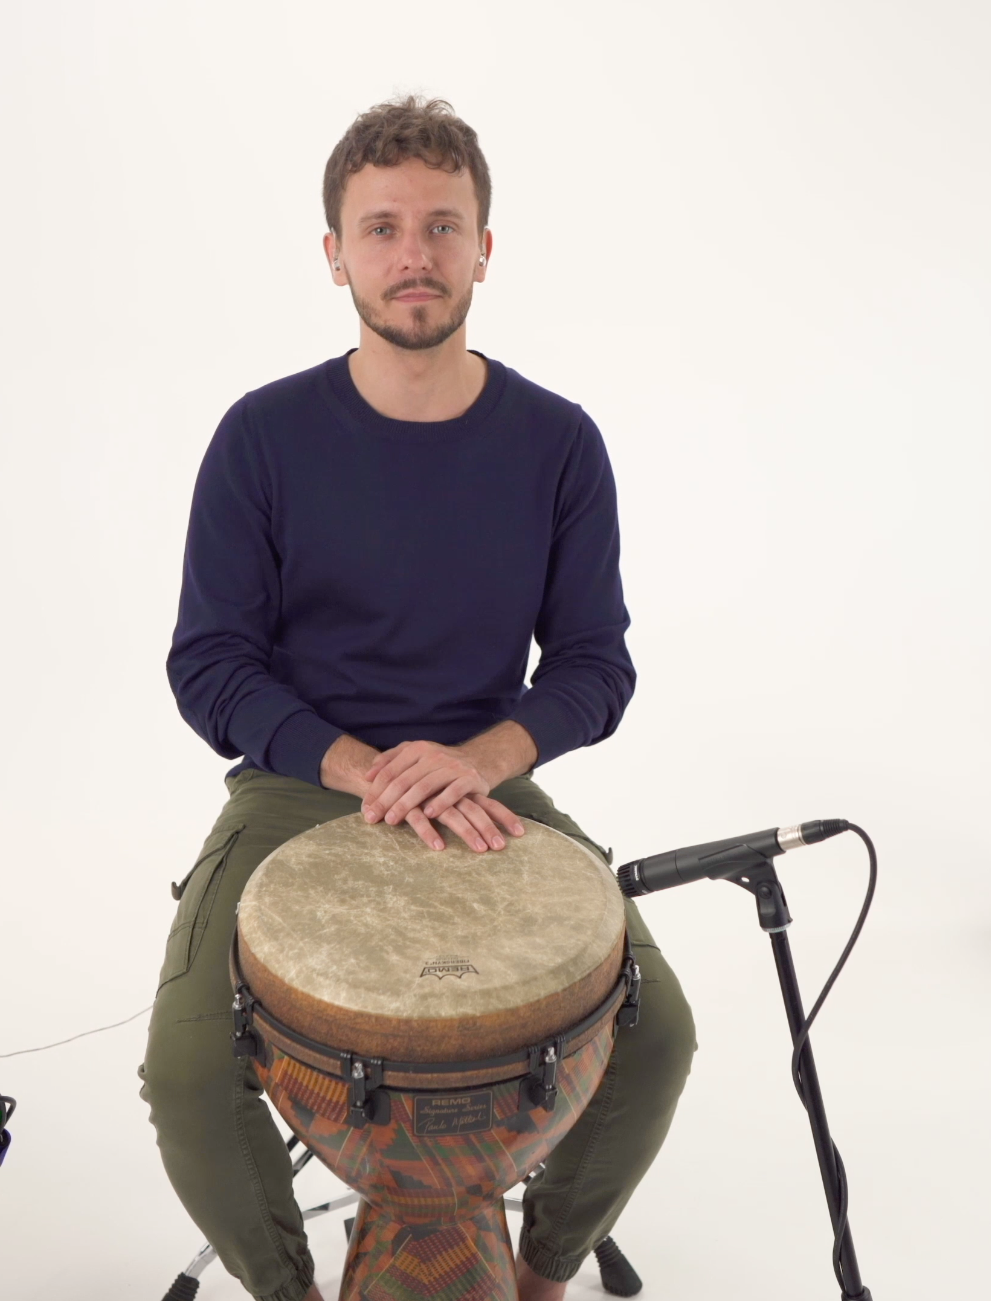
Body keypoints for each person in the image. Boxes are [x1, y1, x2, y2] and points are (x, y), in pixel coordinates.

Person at [140, 97, 696, 1301]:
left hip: (487, 788)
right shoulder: (262, 437)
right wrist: (360, 765)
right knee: (187, 1073)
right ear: (334, 252)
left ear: (485, 248)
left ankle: (537, 1272)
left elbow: (597, 665)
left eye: (443, 226)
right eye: (381, 227)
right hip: (297, 786)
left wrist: (484, 757)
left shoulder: (558, 442)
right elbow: (210, 664)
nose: (414, 254)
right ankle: (295, 1289)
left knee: (661, 1039)